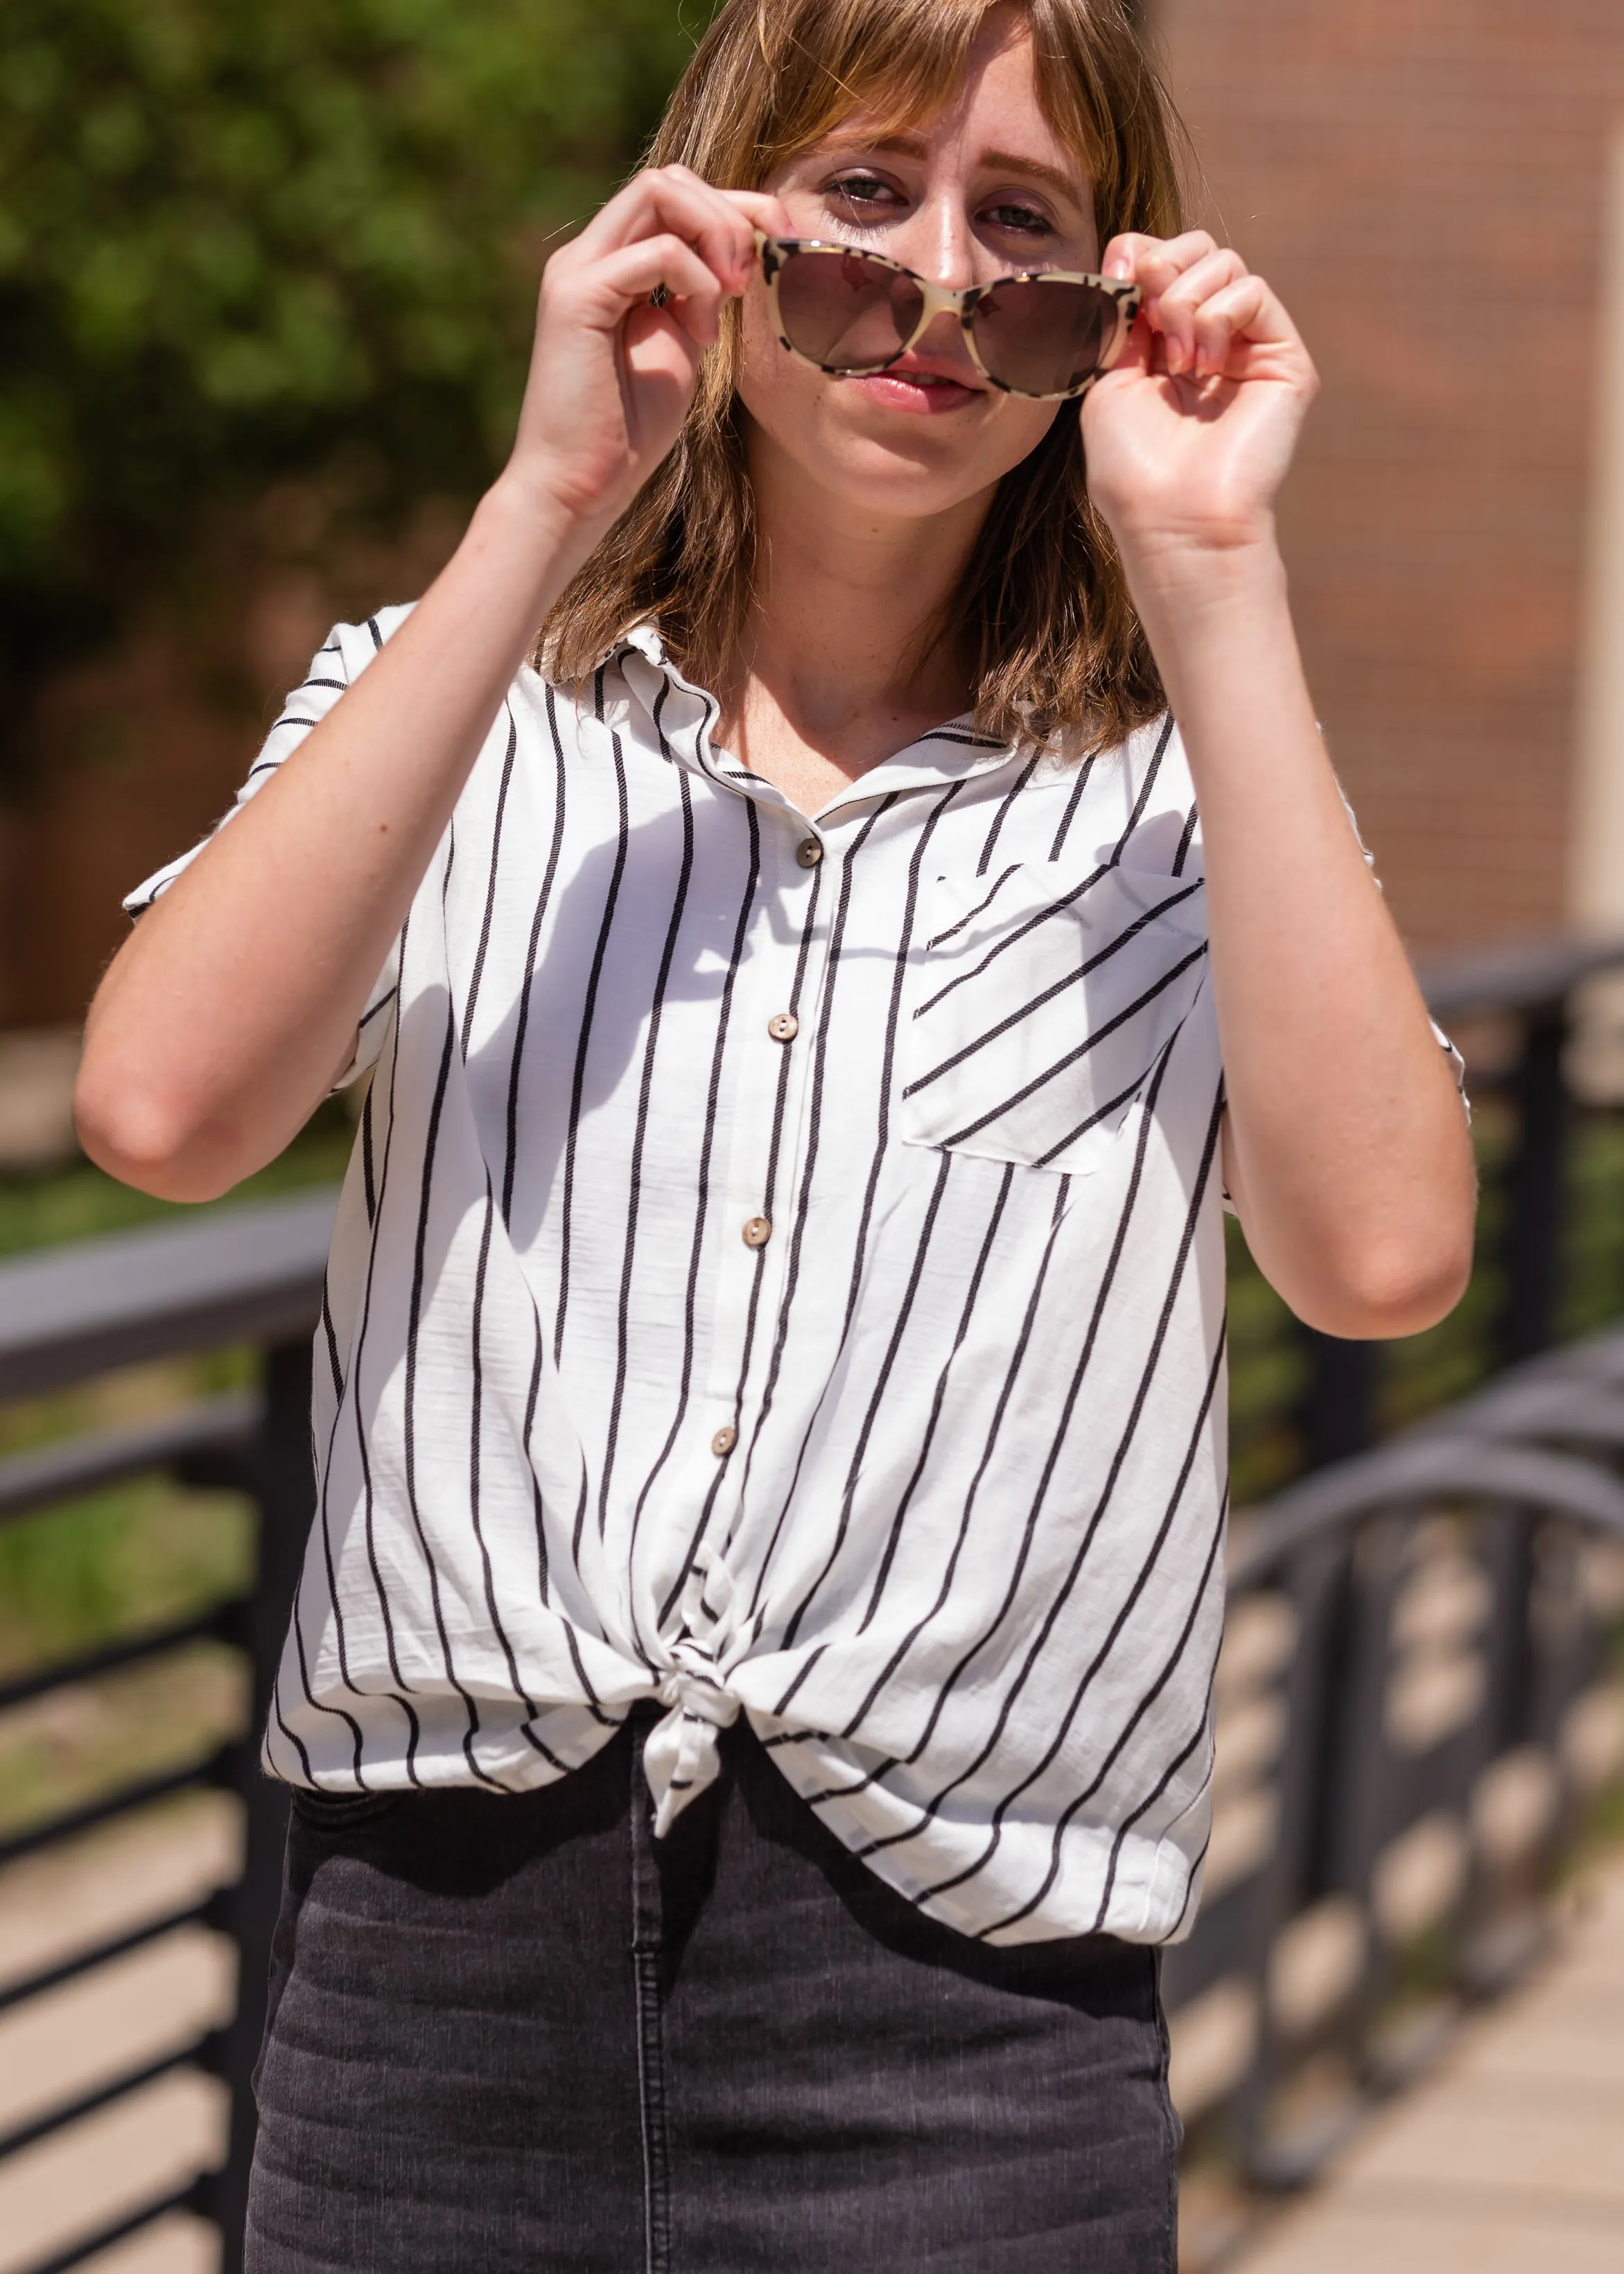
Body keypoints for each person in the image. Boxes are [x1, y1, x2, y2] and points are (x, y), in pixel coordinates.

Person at [75, 0, 1476, 2265]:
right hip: (431, 1982)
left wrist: (1212, 571)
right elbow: (159, 1111)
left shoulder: (1176, 810)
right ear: (710, 228)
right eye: (855, 198)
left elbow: (1384, 1262)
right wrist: (546, 501)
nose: (932, 282)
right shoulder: (451, 711)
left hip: (966, 2033)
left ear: (1107, 304)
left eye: (1018, 226)